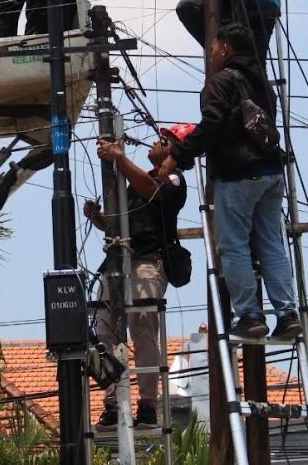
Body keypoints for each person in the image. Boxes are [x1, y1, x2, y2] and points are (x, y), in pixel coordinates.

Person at [158, 23, 301, 341]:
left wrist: (178, 155)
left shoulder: (220, 82)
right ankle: (287, 314)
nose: (209, 53)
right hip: (271, 170)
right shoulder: (263, 83)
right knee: (271, 244)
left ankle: (250, 315)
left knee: (233, 244)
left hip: (238, 173)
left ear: (225, 47)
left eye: (212, 47)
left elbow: (211, 125)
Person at [83, 123, 194, 430]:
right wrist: (100, 219)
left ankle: (147, 406)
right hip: (119, 261)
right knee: (104, 330)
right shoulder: (138, 181)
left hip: (148, 261)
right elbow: (120, 222)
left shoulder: (172, 179)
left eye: (162, 141)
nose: (155, 144)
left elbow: (152, 190)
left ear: (171, 152)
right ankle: (113, 404)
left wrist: (119, 158)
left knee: (142, 328)